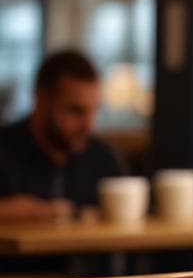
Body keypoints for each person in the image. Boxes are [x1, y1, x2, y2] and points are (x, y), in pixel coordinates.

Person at [0, 50, 124, 222]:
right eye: (76, 110)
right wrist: (17, 210)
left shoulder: (103, 158)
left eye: (94, 111)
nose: (89, 126)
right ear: (40, 99)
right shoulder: (5, 150)